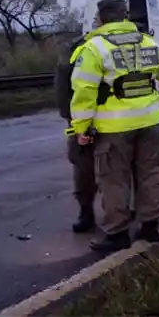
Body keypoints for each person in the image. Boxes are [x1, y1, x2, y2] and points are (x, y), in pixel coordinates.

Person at [69, 0, 159, 252]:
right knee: (149, 173)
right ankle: (150, 228)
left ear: (100, 18)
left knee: (114, 179)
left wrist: (81, 128)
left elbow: (83, 91)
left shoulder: (94, 48)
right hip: (151, 121)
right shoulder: (147, 41)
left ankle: (117, 233)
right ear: (125, 16)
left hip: (114, 127)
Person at [55, 29, 102, 233]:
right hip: (97, 116)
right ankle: (90, 211)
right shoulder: (76, 47)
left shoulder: (77, 46)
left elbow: (61, 86)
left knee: (91, 165)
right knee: (89, 168)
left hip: (102, 117)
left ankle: (91, 212)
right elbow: (63, 86)